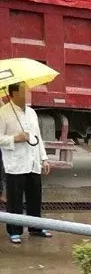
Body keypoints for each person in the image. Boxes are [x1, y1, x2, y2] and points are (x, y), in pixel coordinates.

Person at [0, 82, 51, 245]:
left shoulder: (32, 113)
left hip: (33, 161)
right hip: (15, 163)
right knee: (15, 199)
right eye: (24, 91)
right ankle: (14, 231)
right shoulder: (3, 113)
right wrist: (15, 138)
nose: (28, 94)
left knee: (35, 196)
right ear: (14, 93)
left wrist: (44, 158)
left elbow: (38, 137)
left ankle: (36, 227)